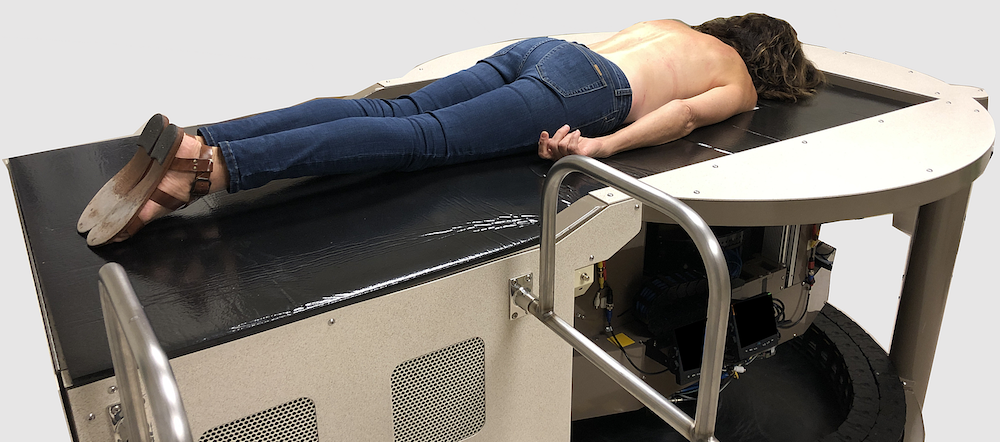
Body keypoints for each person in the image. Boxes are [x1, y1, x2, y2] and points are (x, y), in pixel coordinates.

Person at [78, 14, 822, 246]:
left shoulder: (676, 23)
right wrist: (598, 147)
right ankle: (209, 172)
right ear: (774, 62)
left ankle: (195, 140)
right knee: (424, 141)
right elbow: (686, 116)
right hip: (590, 86)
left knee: (390, 112)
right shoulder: (742, 79)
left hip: (550, 49)